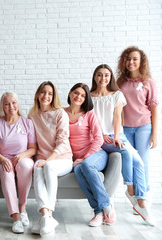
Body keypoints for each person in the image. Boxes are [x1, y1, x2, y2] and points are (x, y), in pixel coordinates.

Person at [90, 64, 154, 226]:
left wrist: (117, 136)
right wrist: (102, 135)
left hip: (117, 135)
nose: (103, 78)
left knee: (138, 161)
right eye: (99, 75)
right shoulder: (89, 96)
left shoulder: (117, 95)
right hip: (99, 138)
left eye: (106, 75)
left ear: (110, 77)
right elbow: (90, 121)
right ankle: (130, 189)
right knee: (124, 152)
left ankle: (141, 200)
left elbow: (117, 117)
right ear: (95, 77)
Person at [65, 83, 115, 227]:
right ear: (70, 93)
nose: (78, 97)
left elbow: (99, 139)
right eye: (76, 93)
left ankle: (106, 205)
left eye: (82, 95)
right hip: (77, 160)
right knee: (79, 170)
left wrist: (84, 157)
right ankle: (98, 212)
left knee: (85, 165)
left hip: (96, 154)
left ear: (86, 98)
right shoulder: (61, 113)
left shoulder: (89, 114)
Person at [28, 81, 73, 236]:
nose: (46, 96)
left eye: (50, 93)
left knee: (47, 166)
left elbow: (62, 142)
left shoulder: (60, 114)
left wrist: (49, 160)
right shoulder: (32, 115)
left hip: (62, 159)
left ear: (54, 96)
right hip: (42, 159)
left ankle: (49, 214)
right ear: (37, 94)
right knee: (37, 167)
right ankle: (45, 215)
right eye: (43, 92)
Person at [0, 92, 37, 234]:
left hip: (22, 158)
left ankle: (22, 207)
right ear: (2, 107)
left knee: (26, 165)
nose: (11, 106)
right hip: (1, 160)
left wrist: (22, 155)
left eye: (14, 102)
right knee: (7, 172)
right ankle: (16, 217)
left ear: (18, 104)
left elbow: (33, 148)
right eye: (7, 104)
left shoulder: (27, 122)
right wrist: (3, 159)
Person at [116, 46, 159, 194]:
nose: (131, 62)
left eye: (135, 59)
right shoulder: (120, 82)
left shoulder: (148, 82)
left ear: (141, 62)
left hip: (144, 127)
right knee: (129, 161)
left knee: (142, 162)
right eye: (128, 59)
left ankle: (143, 195)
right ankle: (133, 193)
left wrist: (154, 134)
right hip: (125, 128)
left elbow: (154, 108)